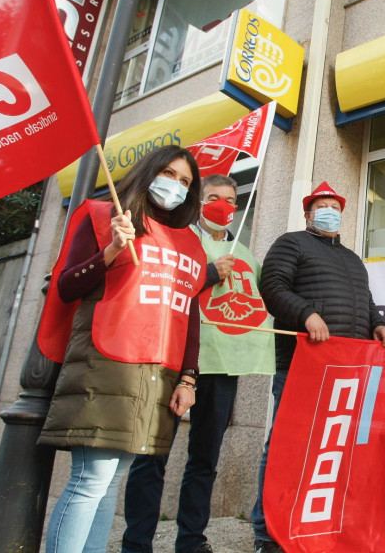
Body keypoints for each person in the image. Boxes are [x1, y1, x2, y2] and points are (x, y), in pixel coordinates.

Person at [37, 145, 207, 553]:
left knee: (111, 481)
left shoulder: (191, 245)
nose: (176, 186)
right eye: (168, 174)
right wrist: (112, 249)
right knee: (89, 479)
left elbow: (190, 314)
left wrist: (188, 377)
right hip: (106, 361)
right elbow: (66, 286)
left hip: (159, 371)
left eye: (185, 181)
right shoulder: (102, 217)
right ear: (149, 172)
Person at [121, 174, 275, 553]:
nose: (221, 205)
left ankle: (191, 541)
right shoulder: (178, 241)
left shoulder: (247, 255)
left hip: (222, 367)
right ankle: (137, 542)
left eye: (229, 199)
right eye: (212, 198)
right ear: (198, 200)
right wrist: (208, 274)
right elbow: (160, 289)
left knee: (205, 459)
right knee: (152, 453)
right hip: (175, 360)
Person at [251, 181, 385, 553]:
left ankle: (310, 525)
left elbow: (366, 300)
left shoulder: (351, 258)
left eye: (335, 205)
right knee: (287, 447)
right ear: (308, 213)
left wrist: (377, 322)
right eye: (322, 205)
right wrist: (307, 313)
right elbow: (272, 286)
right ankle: (267, 533)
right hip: (302, 364)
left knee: (329, 450)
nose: (330, 210)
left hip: (346, 370)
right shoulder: (291, 242)